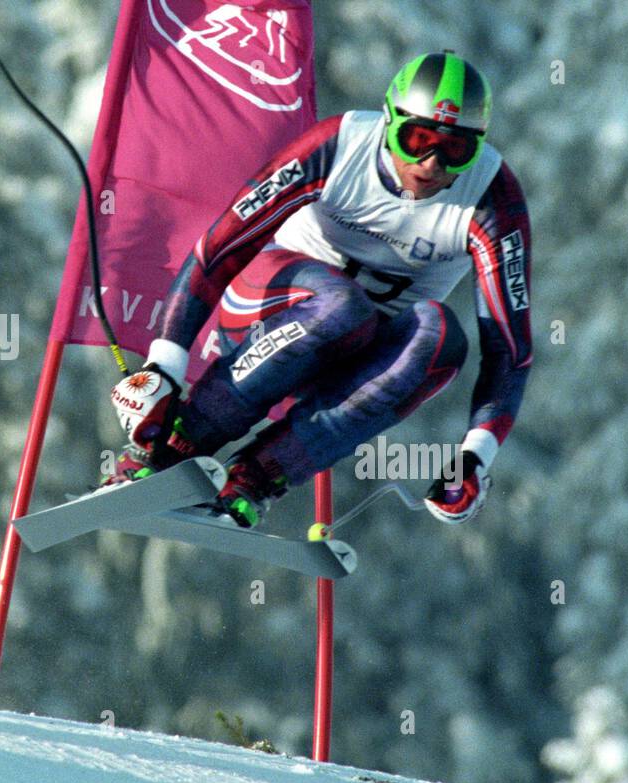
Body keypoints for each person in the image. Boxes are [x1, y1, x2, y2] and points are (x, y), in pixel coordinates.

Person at [106, 50, 533, 529]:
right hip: (265, 313)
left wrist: (475, 457)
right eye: (416, 140)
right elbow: (221, 247)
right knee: (343, 307)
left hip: (352, 361)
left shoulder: (491, 198)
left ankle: (257, 477)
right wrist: (164, 366)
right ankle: (177, 443)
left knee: (440, 339)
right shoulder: (340, 145)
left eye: (455, 150)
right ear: (388, 122)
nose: (431, 164)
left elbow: (509, 349)